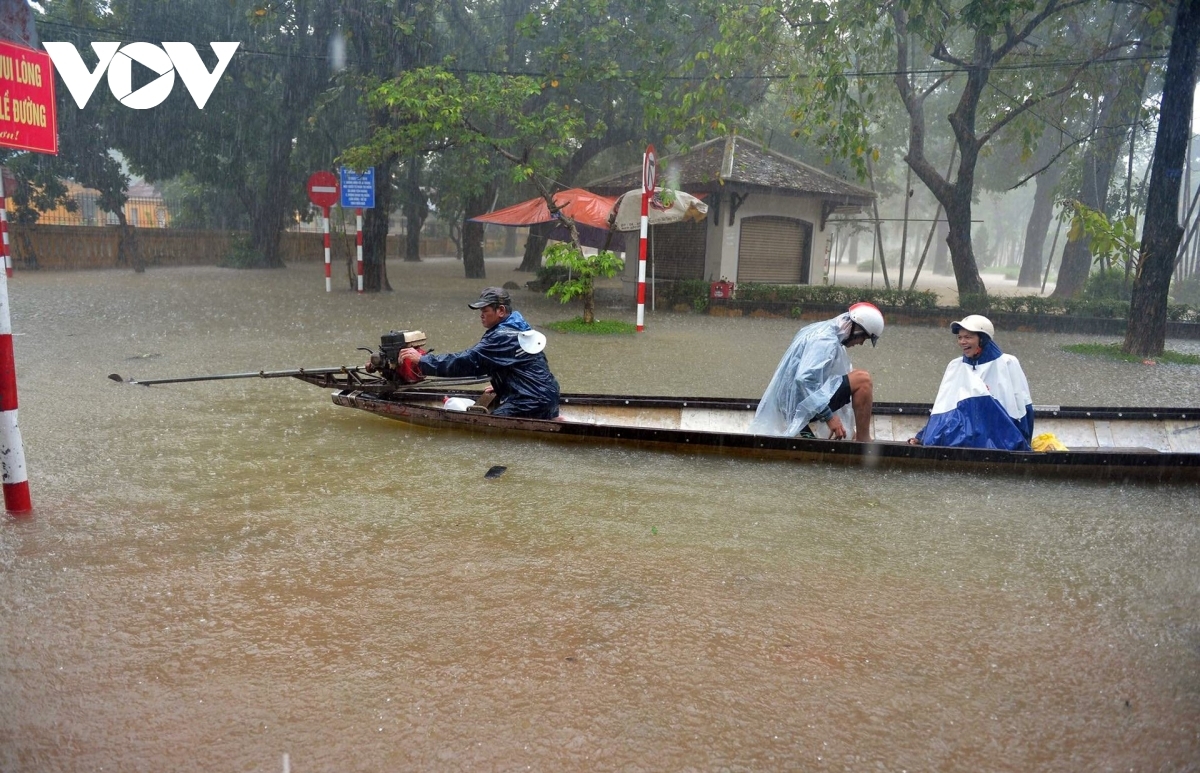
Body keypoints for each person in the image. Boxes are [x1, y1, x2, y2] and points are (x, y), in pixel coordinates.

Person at [399, 287, 561, 419]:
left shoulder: (503, 336)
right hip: (546, 395)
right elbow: (526, 366)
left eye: (485, 310)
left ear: (501, 310)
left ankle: (547, 418)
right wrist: (503, 383)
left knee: (490, 426)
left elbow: (468, 361)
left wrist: (423, 360)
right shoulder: (518, 327)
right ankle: (550, 417)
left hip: (531, 401)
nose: (481, 315)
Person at [749, 302, 884, 441]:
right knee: (863, 380)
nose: (861, 343)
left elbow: (836, 374)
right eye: (864, 338)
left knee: (853, 375)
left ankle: (852, 432)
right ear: (856, 330)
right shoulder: (825, 341)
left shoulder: (821, 329)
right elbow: (804, 381)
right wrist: (829, 417)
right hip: (796, 405)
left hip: (787, 401)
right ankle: (863, 440)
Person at [908, 315, 1033, 450]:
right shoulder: (955, 366)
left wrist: (1024, 444)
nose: (962, 342)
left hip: (1000, 443)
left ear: (982, 339)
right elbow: (943, 407)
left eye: (968, 337)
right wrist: (922, 436)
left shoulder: (1007, 363)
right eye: (960, 337)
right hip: (961, 444)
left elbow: (1023, 407)